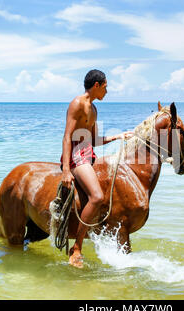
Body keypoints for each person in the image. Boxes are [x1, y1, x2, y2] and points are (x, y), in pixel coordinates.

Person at [60, 69, 133, 268]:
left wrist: (119, 136)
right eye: (105, 87)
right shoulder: (77, 104)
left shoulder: (93, 109)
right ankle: (76, 247)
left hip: (88, 154)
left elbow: (93, 140)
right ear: (96, 85)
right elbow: (68, 136)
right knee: (98, 197)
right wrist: (66, 169)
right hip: (77, 156)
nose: (107, 92)